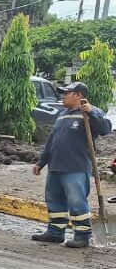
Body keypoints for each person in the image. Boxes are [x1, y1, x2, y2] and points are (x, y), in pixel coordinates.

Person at [31, 81, 111, 248]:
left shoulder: (90, 112)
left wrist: (91, 112)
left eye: (66, 93)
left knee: (76, 201)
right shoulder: (62, 114)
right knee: (54, 200)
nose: (62, 96)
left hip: (75, 167)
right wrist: (41, 162)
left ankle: (83, 235)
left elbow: (105, 129)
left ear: (78, 95)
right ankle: (55, 232)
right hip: (56, 166)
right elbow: (52, 141)